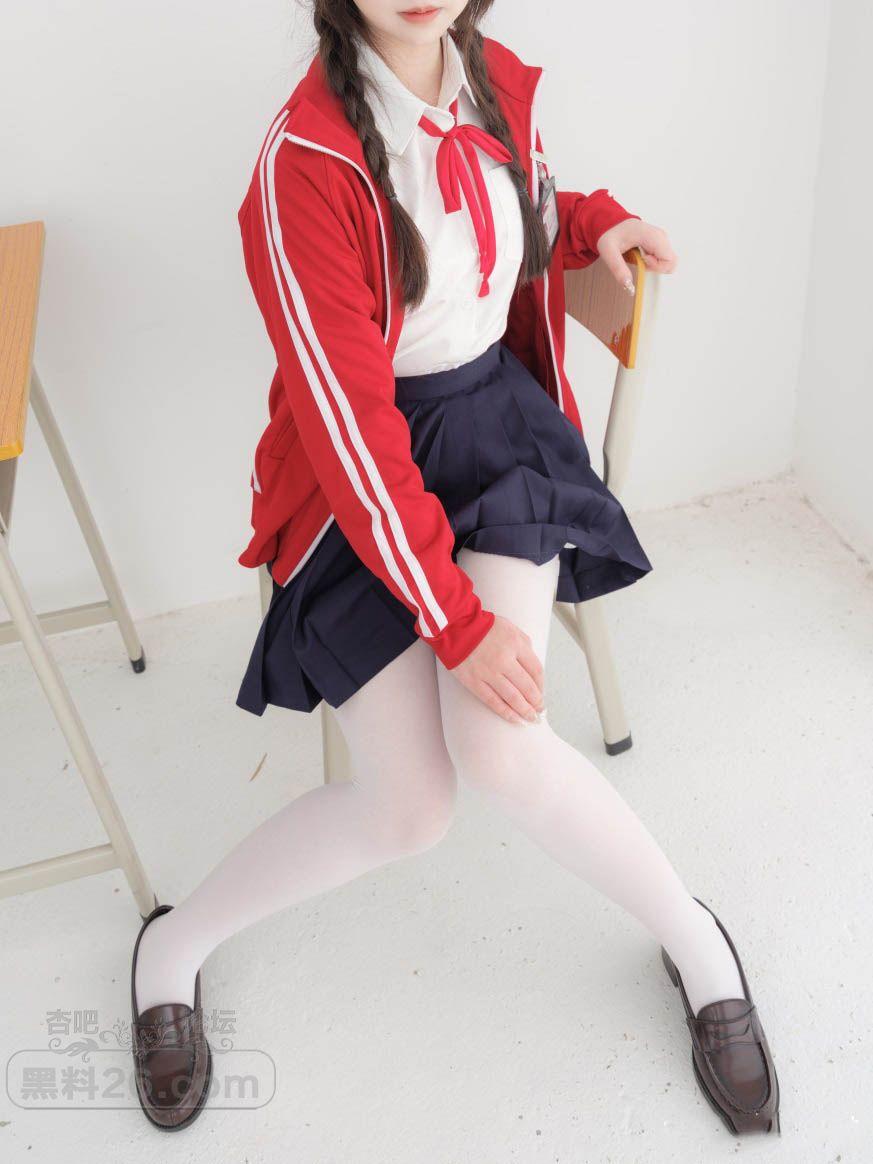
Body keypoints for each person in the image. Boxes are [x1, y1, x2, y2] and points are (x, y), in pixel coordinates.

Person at [129, 0, 780, 1136]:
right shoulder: (302, 166)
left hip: (494, 437)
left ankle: (696, 941)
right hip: (361, 486)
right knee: (409, 808)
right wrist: (458, 626)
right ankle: (170, 950)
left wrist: (593, 224)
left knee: (502, 745)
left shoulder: (495, 80)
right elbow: (350, 430)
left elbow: (521, 211)